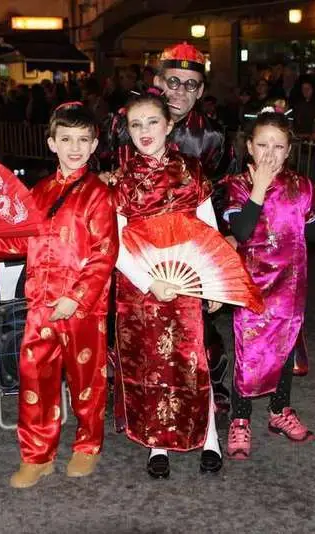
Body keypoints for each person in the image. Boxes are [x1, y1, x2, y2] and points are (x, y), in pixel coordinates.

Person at [0, 103, 117, 488]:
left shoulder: (98, 194)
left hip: (81, 309)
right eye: (66, 139)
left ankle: (87, 445)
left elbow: (104, 253)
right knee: (34, 378)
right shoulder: (40, 192)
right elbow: (18, 237)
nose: (74, 148)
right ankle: (36, 454)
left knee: (86, 380)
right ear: (51, 143)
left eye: (82, 140)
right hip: (40, 303)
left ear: (93, 146)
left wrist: (76, 297)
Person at [221, 108, 315, 459]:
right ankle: (240, 419)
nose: (270, 153)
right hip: (253, 287)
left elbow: (313, 231)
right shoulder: (238, 186)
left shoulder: (301, 188)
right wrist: (258, 189)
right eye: (263, 145)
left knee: (283, 353)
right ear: (250, 148)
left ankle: (279, 411)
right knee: (249, 353)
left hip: (290, 287)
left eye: (279, 146)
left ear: (289, 151)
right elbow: (240, 231)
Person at [101, 42, 234, 412]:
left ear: (201, 91)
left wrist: (222, 247)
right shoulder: (124, 121)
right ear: (158, 80)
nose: (180, 91)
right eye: (173, 81)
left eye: (191, 84)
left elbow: (217, 195)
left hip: (185, 253)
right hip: (132, 246)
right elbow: (103, 166)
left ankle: (203, 393)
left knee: (197, 331)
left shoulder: (212, 136)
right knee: (132, 332)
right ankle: (136, 394)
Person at [109, 91, 223, 478]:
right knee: (152, 365)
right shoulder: (122, 180)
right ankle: (158, 444)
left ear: (169, 125)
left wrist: (210, 281)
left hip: (186, 279)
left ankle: (209, 437)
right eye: (136, 124)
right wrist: (149, 281)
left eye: (152, 122)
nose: (144, 131)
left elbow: (209, 229)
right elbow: (117, 243)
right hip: (140, 287)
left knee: (194, 361)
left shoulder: (191, 169)